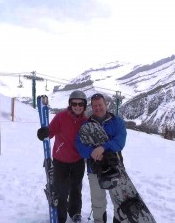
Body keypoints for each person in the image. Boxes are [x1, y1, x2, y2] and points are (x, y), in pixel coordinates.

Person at [37, 90, 88, 223]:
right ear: (70, 104)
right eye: (74, 104)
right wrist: (44, 132)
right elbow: (51, 131)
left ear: (84, 105)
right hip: (61, 160)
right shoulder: (61, 117)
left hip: (78, 160)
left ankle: (75, 212)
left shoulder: (86, 121)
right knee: (61, 189)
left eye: (80, 104)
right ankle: (61, 216)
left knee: (76, 188)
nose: (77, 106)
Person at [75, 93, 127, 223]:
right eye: (95, 106)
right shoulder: (86, 125)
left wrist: (103, 147)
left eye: (100, 105)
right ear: (91, 107)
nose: (98, 108)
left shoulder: (117, 121)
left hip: (115, 166)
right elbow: (79, 145)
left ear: (106, 105)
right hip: (94, 169)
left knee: (118, 199)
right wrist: (91, 152)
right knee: (98, 200)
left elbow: (120, 141)